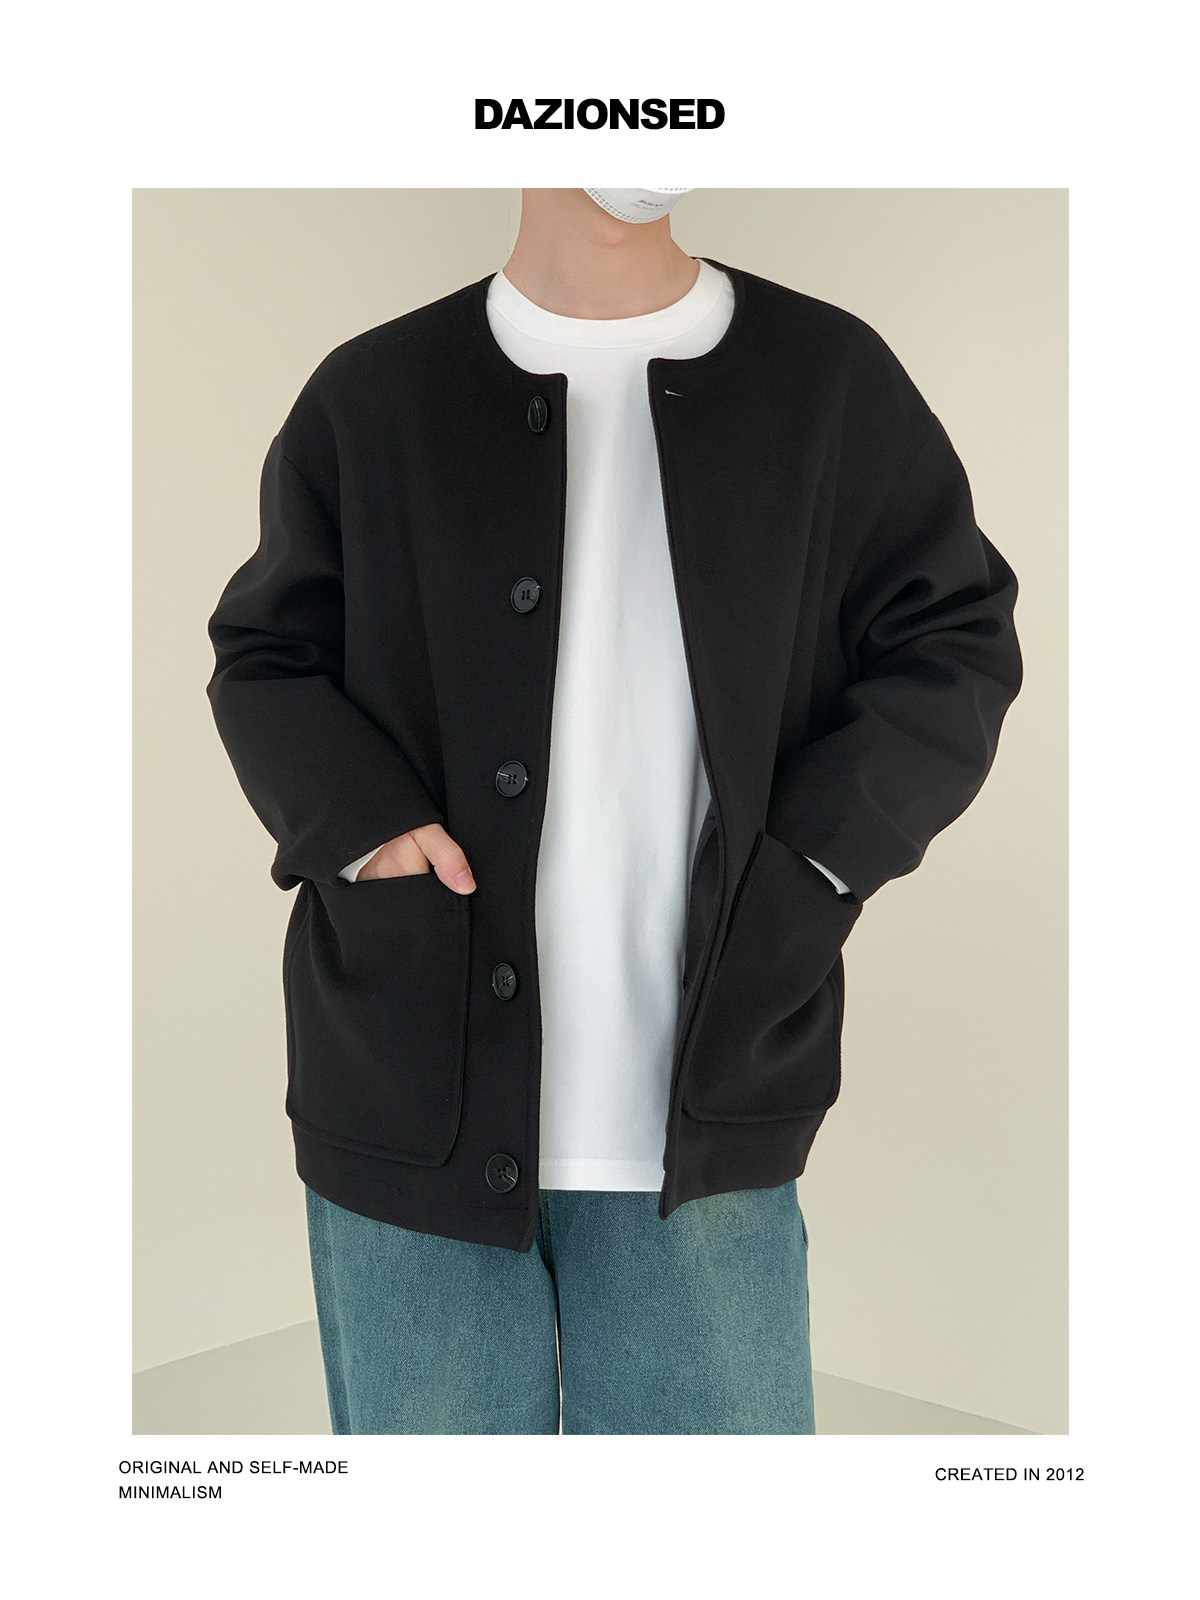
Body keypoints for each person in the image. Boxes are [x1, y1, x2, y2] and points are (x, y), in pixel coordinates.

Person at [205, 187, 1023, 1434]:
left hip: (704, 1098)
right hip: (407, 1084)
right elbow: (269, 654)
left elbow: (956, 638)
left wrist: (813, 858)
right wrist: (366, 836)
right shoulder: (375, 392)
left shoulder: (827, 379)